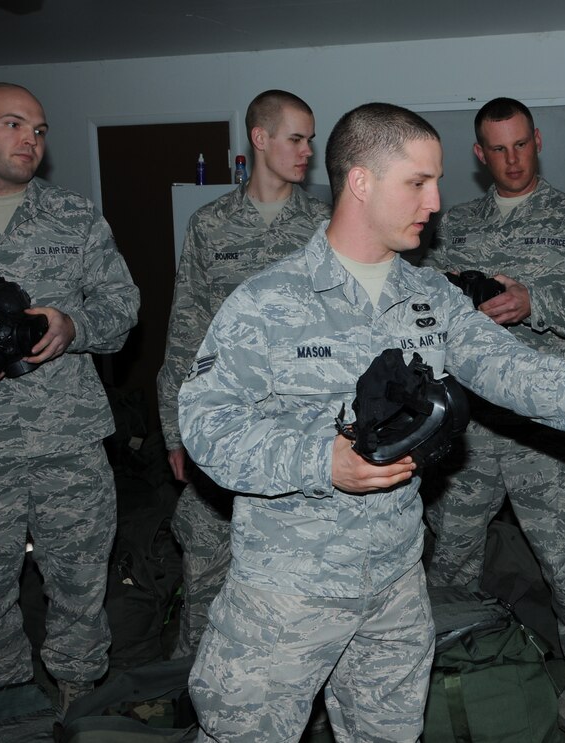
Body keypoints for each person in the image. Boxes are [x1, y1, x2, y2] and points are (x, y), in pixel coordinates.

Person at [177, 102, 565, 742]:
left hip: (394, 581)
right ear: (362, 181)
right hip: (289, 591)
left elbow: (511, 368)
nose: (437, 200)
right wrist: (321, 460)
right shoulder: (265, 301)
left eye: (437, 181)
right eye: (418, 182)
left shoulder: (429, 296)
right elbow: (206, 426)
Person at [421, 97, 565, 734]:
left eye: (522, 145)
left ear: (537, 142)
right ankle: (452, 661)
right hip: (468, 428)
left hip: (546, 428)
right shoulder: (452, 224)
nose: (513, 160)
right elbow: (423, 304)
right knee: (449, 555)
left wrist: (533, 301)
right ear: (480, 155)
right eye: (498, 149)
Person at [0, 83, 139, 709]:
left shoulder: (75, 216)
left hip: (69, 440)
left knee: (81, 583)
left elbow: (123, 307)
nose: (31, 139)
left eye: (41, 130)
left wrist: (73, 325)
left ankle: (80, 698)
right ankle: (2, 707)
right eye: (14, 124)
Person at [157, 89, 331, 657]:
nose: (308, 150)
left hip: (307, 430)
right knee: (207, 566)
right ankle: (194, 688)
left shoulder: (327, 224)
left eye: (311, 139)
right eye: (296, 138)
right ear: (260, 139)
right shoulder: (210, 225)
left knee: (303, 577)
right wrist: (175, 431)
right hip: (226, 427)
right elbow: (185, 332)